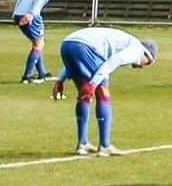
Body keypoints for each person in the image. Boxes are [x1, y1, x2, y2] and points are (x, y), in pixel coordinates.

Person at [52, 26, 158, 156]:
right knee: (103, 93)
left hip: (67, 44)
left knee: (83, 94)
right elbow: (112, 62)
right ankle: (105, 146)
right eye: (147, 63)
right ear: (147, 55)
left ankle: (83, 143)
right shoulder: (137, 50)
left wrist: (60, 79)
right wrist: (93, 84)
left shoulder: (126, 42)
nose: (142, 67)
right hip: (85, 47)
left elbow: (77, 49)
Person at [12, 0, 74, 83]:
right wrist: (31, 13)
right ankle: (27, 77)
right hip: (31, 14)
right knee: (39, 44)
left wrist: (16, 12)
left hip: (20, 13)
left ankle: (42, 73)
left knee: (38, 42)